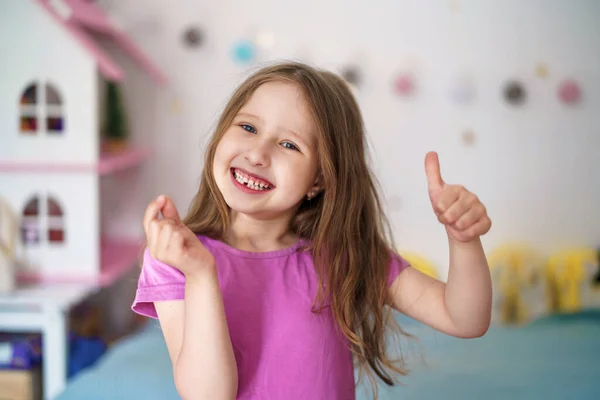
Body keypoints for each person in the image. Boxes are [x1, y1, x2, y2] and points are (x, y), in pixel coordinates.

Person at [131, 61, 493, 400]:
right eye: (248, 127)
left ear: (319, 179)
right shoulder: (177, 259)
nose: (258, 153)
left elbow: (463, 318)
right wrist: (201, 275)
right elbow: (209, 395)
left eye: (289, 144)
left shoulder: (341, 254)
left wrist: (463, 240)